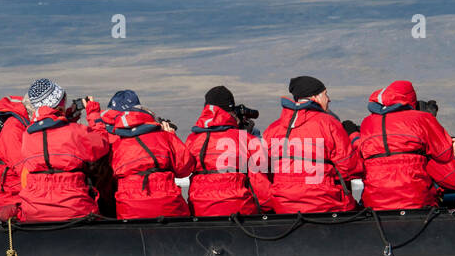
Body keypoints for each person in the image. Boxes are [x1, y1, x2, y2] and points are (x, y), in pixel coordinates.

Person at [354, 80, 455, 210]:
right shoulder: (422, 119)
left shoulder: (367, 123)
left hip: (374, 202)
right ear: (411, 99)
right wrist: (450, 148)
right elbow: (445, 158)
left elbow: (354, 165)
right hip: (416, 201)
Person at [262, 75, 362, 213]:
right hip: (326, 204)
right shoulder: (329, 123)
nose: (329, 99)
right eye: (325, 94)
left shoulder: (272, 129)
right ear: (314, 97)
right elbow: (350, 168)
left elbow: (262, 170)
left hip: (283, 206)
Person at [16, 78, 111, 221]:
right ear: (59, 103)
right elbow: (102, 144)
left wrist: (65, 118)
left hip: (33, 210)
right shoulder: (76, 132)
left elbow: (51, 134)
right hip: (74, 208)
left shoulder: (27, 136)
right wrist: (93, 113)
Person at [100, 90, 196, 219]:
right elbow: (184, 169)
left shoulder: (115, 145)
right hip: (169, 206)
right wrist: (171, 135)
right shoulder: (164, 137)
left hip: (129, 209)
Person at [184, 86, 272, 216]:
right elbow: (260, 184)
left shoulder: (192, 140)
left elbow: (182, 169)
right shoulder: (246, 140)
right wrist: (267, 210)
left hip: (200, 210)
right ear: (232, 111)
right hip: (239, 210)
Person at [0, 94, 31, 220]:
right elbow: (25, 171)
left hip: (19, 197)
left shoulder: (24, 125)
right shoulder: (14, 129)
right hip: (11, 201)